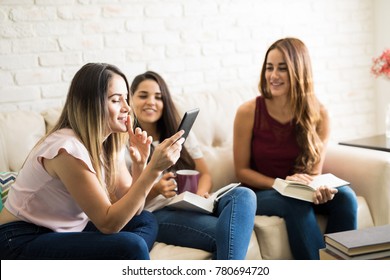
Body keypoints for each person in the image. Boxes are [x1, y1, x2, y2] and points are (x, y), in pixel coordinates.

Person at [0, 63, 185, 260]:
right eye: (116, 100)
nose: (126, 108)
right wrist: (154, 170)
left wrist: (140, 165)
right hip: (20, 240)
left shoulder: (109, 142)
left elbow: (134, 210)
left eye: (125, 99)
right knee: (131, 246)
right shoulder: (66, 148)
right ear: (91, 104)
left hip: (68, 232)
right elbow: (108, 223)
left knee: (145, 220)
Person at [233, 38, 358, 260]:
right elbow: (241, 171)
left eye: (282, 68)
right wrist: (281, 184)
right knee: (293, 201)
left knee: (346, 197)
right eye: (269, 68)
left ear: (298, 71)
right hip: (263, 192)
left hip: (300, 190)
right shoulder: (248, 112)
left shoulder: (319, 113)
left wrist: (318, 190)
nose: (273, 75)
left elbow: (314, 173)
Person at [129, 71, 256, 260]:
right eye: (143, 96)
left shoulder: (178, 134)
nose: (151, 102)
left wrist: (198, 196)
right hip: (159, 212)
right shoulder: (126, 146)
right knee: (230, 235)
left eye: (158, 97)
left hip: (191, 203)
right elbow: (126, 204)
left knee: (244, 194)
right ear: (130, 100)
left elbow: (205, 174)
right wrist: (156, 189)